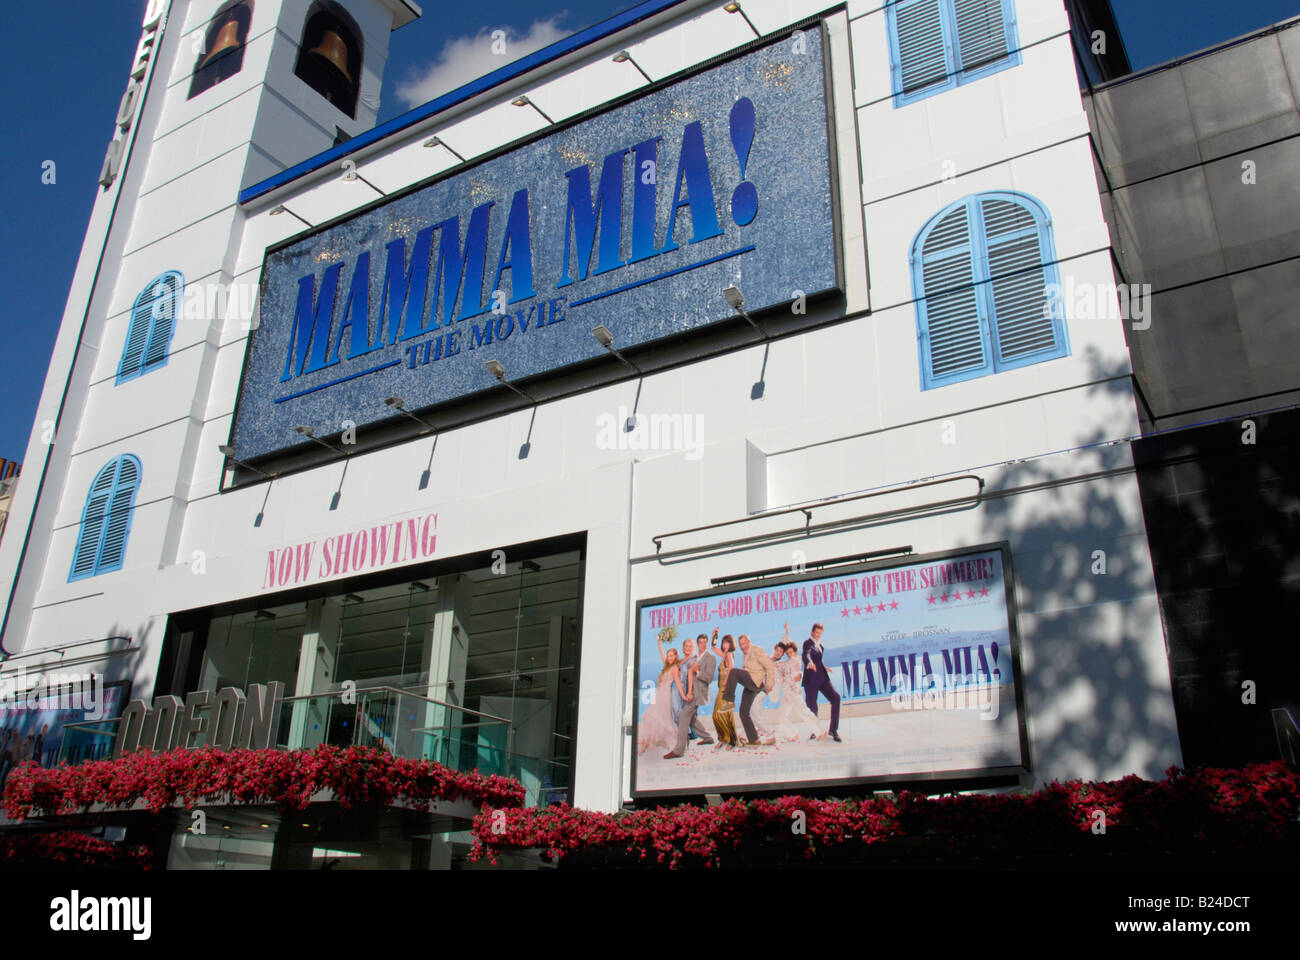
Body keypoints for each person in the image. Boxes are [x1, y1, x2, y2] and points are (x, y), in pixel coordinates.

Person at [666, 629, 717, 758]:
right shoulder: (687, 659)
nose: (702, 645)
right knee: (692, 719)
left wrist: (689, 692)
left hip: (694, 693)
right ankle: (708, 738)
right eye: (700, 642)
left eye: (704, 642)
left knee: (683, 716)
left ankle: (679, 749)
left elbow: (707, 677)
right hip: (682, 692)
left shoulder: (703, 658)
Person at [720, 633, 777, 746]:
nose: (742, 646)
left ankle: (729, 701)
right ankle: (754, 740)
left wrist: (770, 683)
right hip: (749, 684)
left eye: (744, 643)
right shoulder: (744, 654)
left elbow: (770, 665)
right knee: (743, 713)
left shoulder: (756, 650)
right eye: (741, 644)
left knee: (733, 672)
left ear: (749, 642)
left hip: (755, 681)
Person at [772, 627, 826, 742]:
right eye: (787, 653)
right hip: (786, 693)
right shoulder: (785, 663)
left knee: (804, 712)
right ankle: (793, 734)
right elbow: (773, 664)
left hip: (794, 692)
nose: (789, 654)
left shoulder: (797, 659)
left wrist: (787, 632)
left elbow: (790, 646)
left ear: (795, 652)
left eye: (791, 652)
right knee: (781, 717)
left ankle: (821, 731)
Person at [639, 647, 688, 755]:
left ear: (675, 656)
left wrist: (684, 696)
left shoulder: (674, 668)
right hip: (659, 694)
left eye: (672, 655)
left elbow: (678, 683)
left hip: (665, 695)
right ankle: (646, 742)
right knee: (652, 716)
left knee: (663, 718)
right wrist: (659, 642)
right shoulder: (667, 667)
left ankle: (673, 743)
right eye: (668, 656)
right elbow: (661, 653)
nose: (669, 657)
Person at [802, 622, 841, 742]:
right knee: (812, 706)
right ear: (812, 632)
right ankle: (816, 730)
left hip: (822, 678)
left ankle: (833, 730)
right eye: (817, 633)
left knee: (836, 698)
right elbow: (806, 654)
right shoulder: (807, 643)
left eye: (820, 633)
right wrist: (809, 663)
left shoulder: (821, 646)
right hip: (811, 680)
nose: (819, 635)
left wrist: (825, 667)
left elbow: (819, 660)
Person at [711, 635, 739, 748]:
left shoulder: (729, 654)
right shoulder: (724, 656)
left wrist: (726, 681)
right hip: (721, 688)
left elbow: (732, 667)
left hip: (726, 688)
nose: (724, 645)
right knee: (718, 715)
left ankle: (731, 740)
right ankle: (723, 738)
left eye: (727, 643)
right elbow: (713, 647)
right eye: (723, 643)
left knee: (723, 715)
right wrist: (715, 635)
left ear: (731, 644)